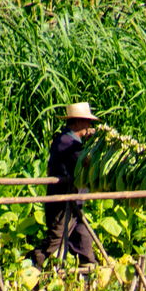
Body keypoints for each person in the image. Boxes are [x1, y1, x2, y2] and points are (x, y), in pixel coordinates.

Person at [27, 102, 99, 267]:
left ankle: (90, 270)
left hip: (74, 202)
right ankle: (30, 266)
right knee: (55, 240)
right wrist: (94, 146)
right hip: (61, 203)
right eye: (88, 122)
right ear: (78, 122)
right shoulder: (65, 141)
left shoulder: (74, 142)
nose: (90, 126)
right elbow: (83, 161)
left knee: (83, 236)